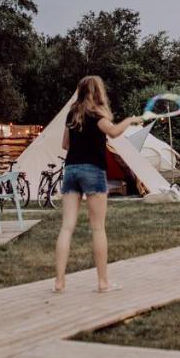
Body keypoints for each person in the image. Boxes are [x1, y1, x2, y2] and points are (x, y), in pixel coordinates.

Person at [53, 75, 143, 293]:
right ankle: (103, 283)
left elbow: (65, 144)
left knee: (67, 227)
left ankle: (59, 282)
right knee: (97, 228)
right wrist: (130, 120)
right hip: (93, 170)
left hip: (71, 170)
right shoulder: (97, 114)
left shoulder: (73, 114)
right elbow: (113, 132)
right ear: (97, 92)